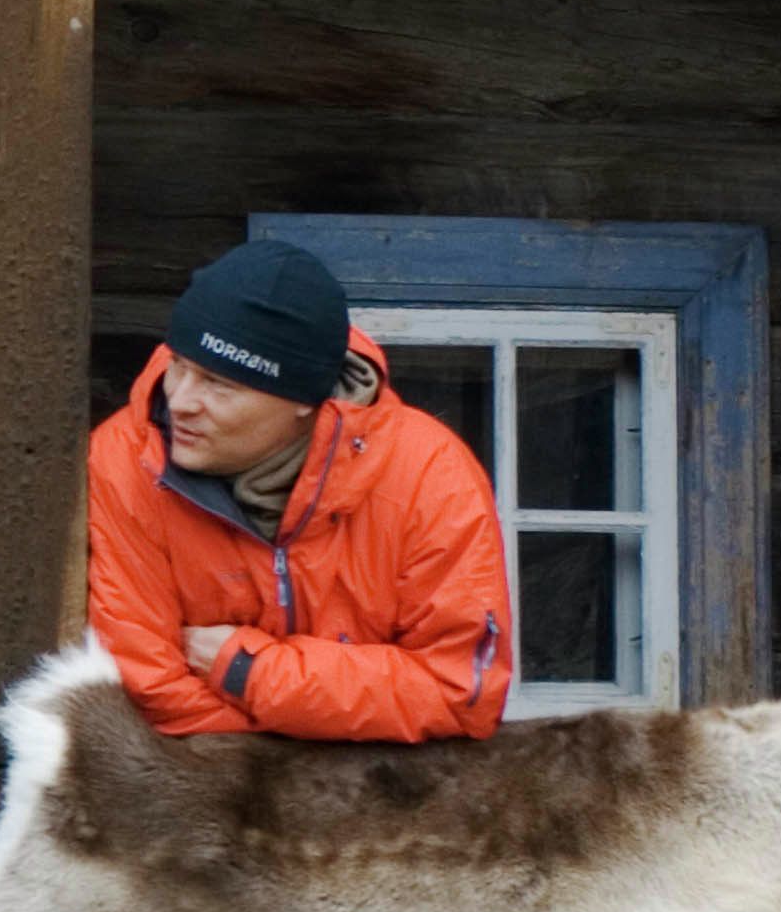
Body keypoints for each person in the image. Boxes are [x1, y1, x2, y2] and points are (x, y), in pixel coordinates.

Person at [81, 236, 510, 741]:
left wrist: (247, 672)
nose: (180, 400)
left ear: (304, 399)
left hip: (388, 800)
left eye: (219, 384)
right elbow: (149, 690)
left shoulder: (430, 476)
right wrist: (340, 726)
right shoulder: (125, 460)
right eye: (178, 366)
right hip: (215, 797)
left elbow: (462, 693)